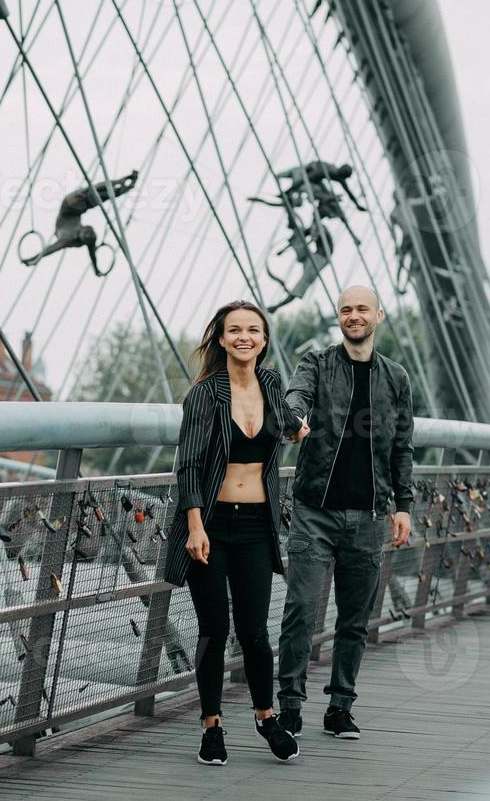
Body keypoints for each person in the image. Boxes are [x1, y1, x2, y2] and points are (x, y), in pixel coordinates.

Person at [164, 301, 308, 766]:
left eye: (254, 330)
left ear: (264, 340)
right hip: (210, 523)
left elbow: (282, 422)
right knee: (214, 628)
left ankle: (266, 718)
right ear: (222, 340)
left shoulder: (270, 383)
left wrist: (296, 427)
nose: (245, 337)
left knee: (254, 631)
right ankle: (212, 727)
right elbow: (186, 463)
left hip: (257, 526)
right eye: (235, 330)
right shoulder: (205, 395)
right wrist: (193, 524)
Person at [275, 284, 415, 740]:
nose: (353, 316)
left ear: (380, 315)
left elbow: (401, 446)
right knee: (301, 608)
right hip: (315, 509)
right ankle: (291, 706)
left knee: (356, 617)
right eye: (345, 310)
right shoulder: (316, 364)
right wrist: (293, 418)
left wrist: (404, 506)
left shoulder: (396, 378)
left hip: (371, 514)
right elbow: (296, 395)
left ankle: (340, 707)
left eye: (361, 309)